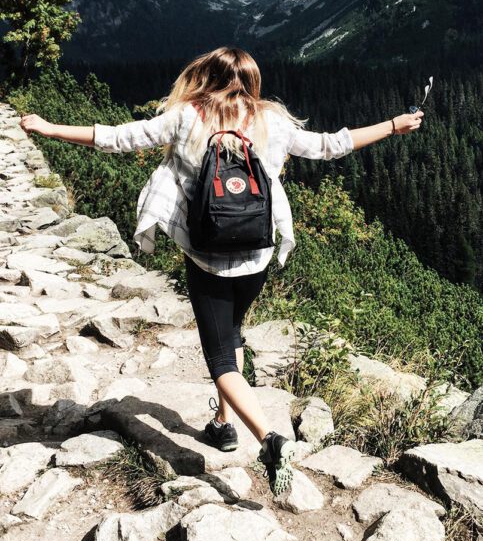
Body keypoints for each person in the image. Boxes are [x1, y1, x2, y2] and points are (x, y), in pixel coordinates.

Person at [20, 46, 424, 496]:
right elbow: (333, 145)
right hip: (257, 254)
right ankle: (221, 423)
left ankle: (270, 441)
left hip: (207, 257)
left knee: (219, 355)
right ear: (252, 81)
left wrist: (49, 127)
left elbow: (117, 137)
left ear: (206, 77)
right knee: (232, 332)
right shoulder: (273, 120)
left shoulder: (185, 116)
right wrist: (394, 124)